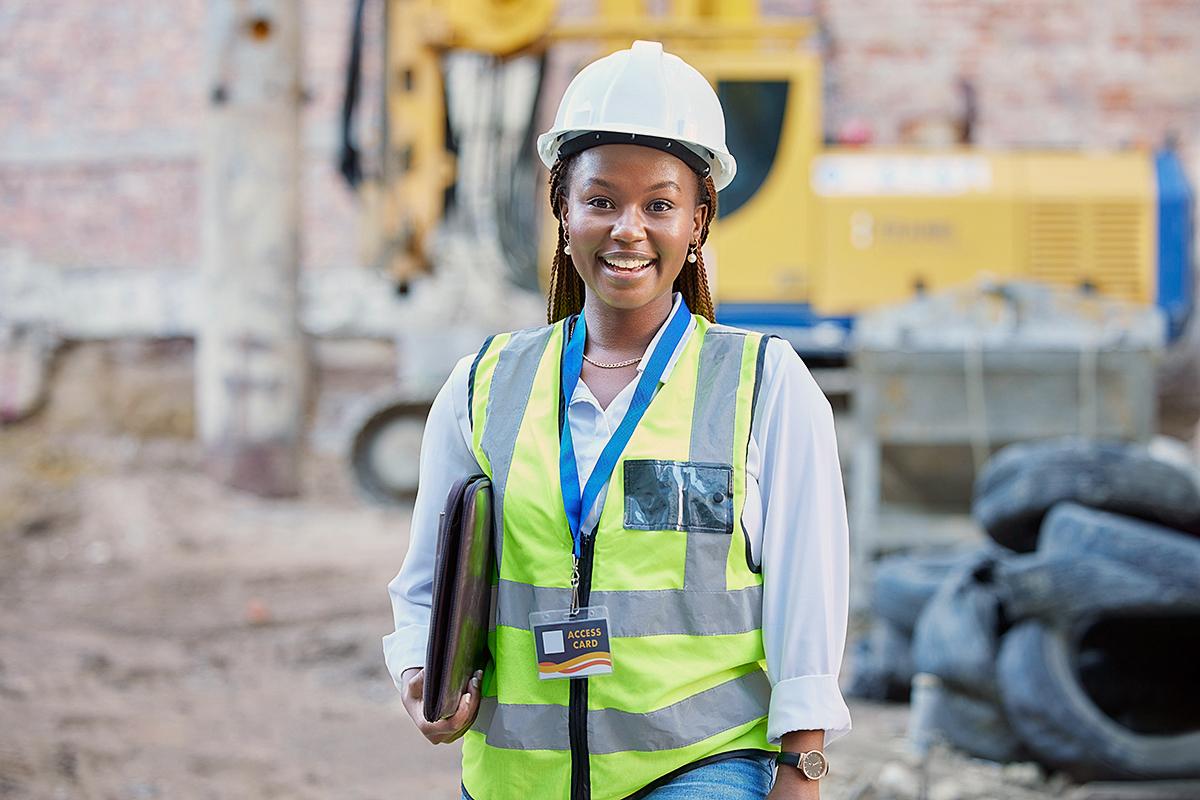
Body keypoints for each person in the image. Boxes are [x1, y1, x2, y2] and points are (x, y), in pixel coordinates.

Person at [383, 40, 851, 800]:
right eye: (601, 200)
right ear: (563, 212)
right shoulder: (483, 384)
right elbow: (423, 587)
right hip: (515, 778)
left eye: (659, 204)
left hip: (696, 764)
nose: (628, 228)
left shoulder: (765, 383)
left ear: (698, 222)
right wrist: (417, 673)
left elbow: (809, 590)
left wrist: (802, 768)